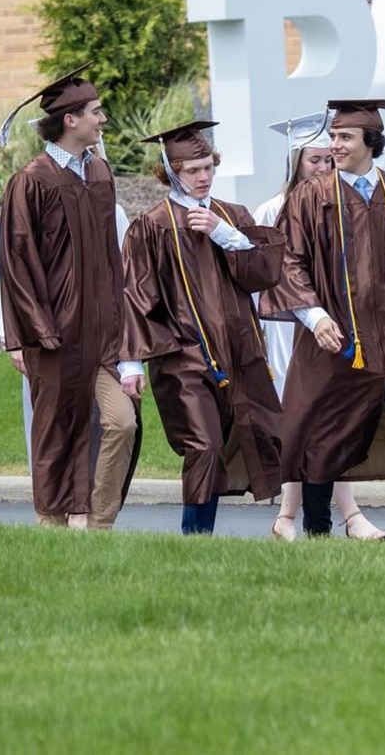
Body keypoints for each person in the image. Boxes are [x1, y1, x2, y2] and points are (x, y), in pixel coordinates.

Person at [259, 99, 385, 541]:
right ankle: (316, 532)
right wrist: (313, 316)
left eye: (344, 137)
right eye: (333, 137)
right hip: (336, 339)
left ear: (371, 141)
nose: (334, 145)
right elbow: (290, 261)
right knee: (322, 435)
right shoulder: (311, 196)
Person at [121, 120, 285, 535]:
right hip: (184, 358)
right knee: (204, 446)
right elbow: (135, 298)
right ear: (170, 172)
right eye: (192, 170)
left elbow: (264, 275)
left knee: (255, 434)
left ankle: (290, 524)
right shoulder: (153, 226)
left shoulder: (233, 217)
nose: (203, 176)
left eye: (207, 166)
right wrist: (131, 364)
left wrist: (227, 236)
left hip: (240, 353)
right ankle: (195, 537)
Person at [0, 65, 139, 529]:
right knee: (56, 433)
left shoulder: (99, 173)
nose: (103, 119)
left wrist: (123, 327)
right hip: (55, 335)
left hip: (100, 337)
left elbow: (112, 259)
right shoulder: (32, 180)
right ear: (70, 120)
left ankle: (100, 522)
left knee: (121, 423)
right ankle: (51, 527)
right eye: (96, 112)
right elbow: (17, 261)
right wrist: (27, 333)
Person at [254, 112, 385, 541]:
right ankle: (321, 517)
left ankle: (298, 518)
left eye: (327, 159)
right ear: (296, 162)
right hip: (292, 329)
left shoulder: (343, 201)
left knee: (334, 424)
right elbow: (275, 278)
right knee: (304, 424)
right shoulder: (273, 209)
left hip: (337, 333)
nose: (324, 165)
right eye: (314, 160)